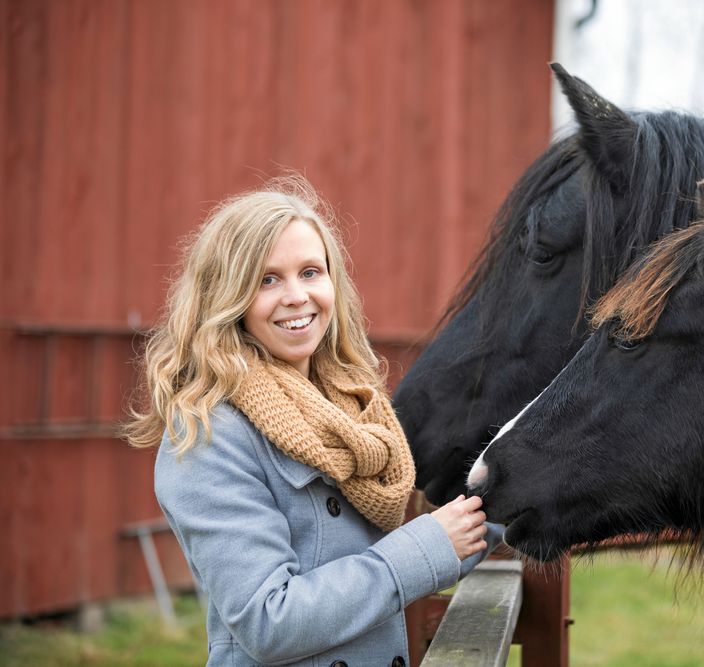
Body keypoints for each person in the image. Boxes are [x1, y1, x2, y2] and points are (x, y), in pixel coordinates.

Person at [127, 175, 503, 666]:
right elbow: (269, 620)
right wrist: (426, 547)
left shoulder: (348, 403)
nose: (296, 296)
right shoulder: (210, 434)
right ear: (227, 298)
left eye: (310, 272)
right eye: (267, 279)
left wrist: (509, 499)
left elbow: (409, 552)